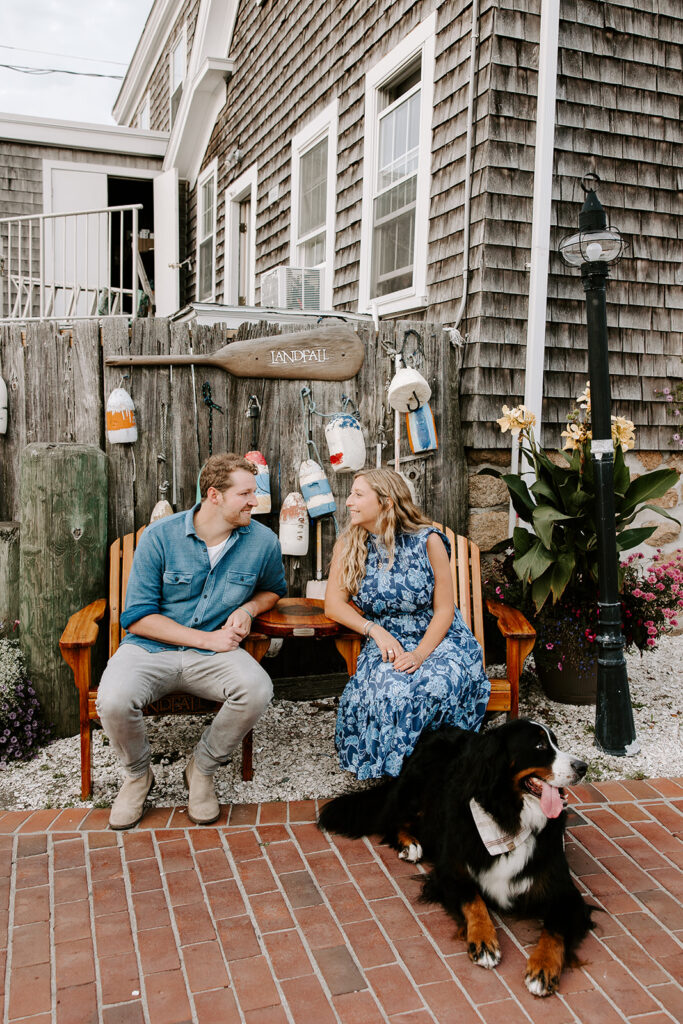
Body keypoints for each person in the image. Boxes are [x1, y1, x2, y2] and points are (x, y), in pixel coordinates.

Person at [96, 453, 287, 830]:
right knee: (113, 699)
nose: (254, 501)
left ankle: (202, 769)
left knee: (257, 689)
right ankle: (138, 777)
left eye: (254, 492)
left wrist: (248, 609)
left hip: (214, 654)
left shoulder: (262, 541)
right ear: (214, 495)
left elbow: (273, 590)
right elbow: (138, 616)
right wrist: (206, 639)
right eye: (245, 494)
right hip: (150, 649)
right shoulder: (160, 537)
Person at [324, 468, 490, 780]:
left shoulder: (428, 541)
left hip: (440, 640)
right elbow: (333, 605)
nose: (348, 502)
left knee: (433, 685)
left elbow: (444, 610)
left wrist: (419, 654)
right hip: (386, 641)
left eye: (358, 495)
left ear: (386, 502)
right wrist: (375, 630)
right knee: (391, 688)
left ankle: (439, 768)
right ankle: (395, 773)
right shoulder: (349, 544)